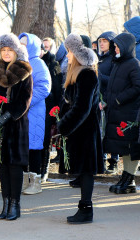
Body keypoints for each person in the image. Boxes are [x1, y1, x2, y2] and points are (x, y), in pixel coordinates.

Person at [0, 33, 33, 220]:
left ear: (15, 51)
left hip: (15, 126)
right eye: (2, 50)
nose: (6, 53)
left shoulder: (24, 71)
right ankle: (5, 204)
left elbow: (25, 100)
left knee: (14, 166)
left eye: (9, 50)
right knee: (2, 166)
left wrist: (6, 116)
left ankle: (15, 205)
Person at [58, 33, 103, 224]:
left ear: (77, 53)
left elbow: (82, 107)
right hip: (79, 129)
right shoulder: (78, 73)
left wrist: (64, 125)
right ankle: (84, 209)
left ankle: (86, 210)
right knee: (83, 170)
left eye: (69, 52)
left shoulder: (86, 74)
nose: (67, 55)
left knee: (86, 171)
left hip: (85, 130)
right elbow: (72, 103)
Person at [103, 32, 140, 194]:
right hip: (118, 113)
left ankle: (130, 178)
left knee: (130, 147)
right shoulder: (118, 63)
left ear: (126, 47)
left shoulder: (134, 64)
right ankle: (126, 177)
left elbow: (138, 87)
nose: (115, 48)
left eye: (117, 46)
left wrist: (118, 100)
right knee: (124, 148)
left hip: (129, 113)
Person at [18, 33, 51, 194]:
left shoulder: (38, 64)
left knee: (34, 147)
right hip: (20, 114)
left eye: (24, 44)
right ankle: (25, 181)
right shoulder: (19, 63)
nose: (21, 46)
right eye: (20, 43)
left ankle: (36, 183)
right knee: (23, 146)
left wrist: (26, 102)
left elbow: (44, 87)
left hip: (34, 112)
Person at [96, 31, 119, 174]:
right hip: (98, 100)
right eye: (100, 41)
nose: (102, 43)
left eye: (105, 41)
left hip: (110, 100)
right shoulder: (98, 58)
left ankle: (114, 161)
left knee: (111, 131)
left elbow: (114, 80)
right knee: (101, 132)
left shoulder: (114, 59)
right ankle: (102, 160)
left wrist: (99, 75)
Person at [40, 38, 63, 183]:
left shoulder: (54, 65)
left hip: (49, 109)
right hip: (36, 109)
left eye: (47, 47)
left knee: (45, 141)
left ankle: (44, 169)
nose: (45, 50)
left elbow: (57, 90)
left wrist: (55, 112)